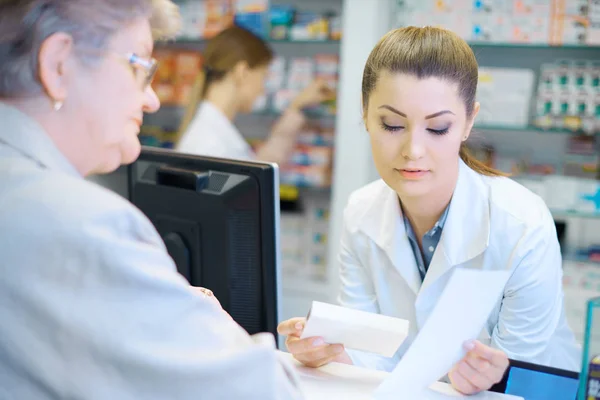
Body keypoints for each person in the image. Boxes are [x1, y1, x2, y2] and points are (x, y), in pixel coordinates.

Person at [0, 1, 302, 399]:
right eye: (138, 66)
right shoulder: (86, 225)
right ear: (59, 65)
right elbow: (261, 391)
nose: (152, 100)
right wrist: (206, 321)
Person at [278, 26, 582, 395]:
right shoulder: (361, 212)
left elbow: (518, 367)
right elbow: (373, 354)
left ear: (469, 121)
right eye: (392, 125)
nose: (413, 150)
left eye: (437, 128)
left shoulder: (520, 223)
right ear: (365, 116)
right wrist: (328, 352)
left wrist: (491, 373)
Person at [175, 25, 335, 164]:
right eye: (263, 76)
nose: (262, 89)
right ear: (242, 72)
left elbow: (258, 168)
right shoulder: (209, 143)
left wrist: (296, 106)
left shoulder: (214, 131)